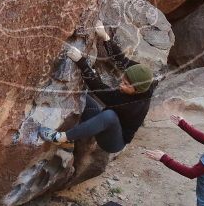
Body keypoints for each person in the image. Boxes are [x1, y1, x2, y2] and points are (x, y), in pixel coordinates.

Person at [38, 20, 154, 153]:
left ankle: (61, 137)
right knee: (80, 95)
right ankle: (70, 141)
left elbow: (101, 91)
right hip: (103, 118)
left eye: (126, 85)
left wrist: (81, 62)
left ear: (137, 90)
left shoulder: (132, 106)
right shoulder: (142, 77)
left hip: (113, 141)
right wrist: (105, 37)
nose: (121, 84)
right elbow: (121, 60)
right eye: (123, 79)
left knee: (110, 116)